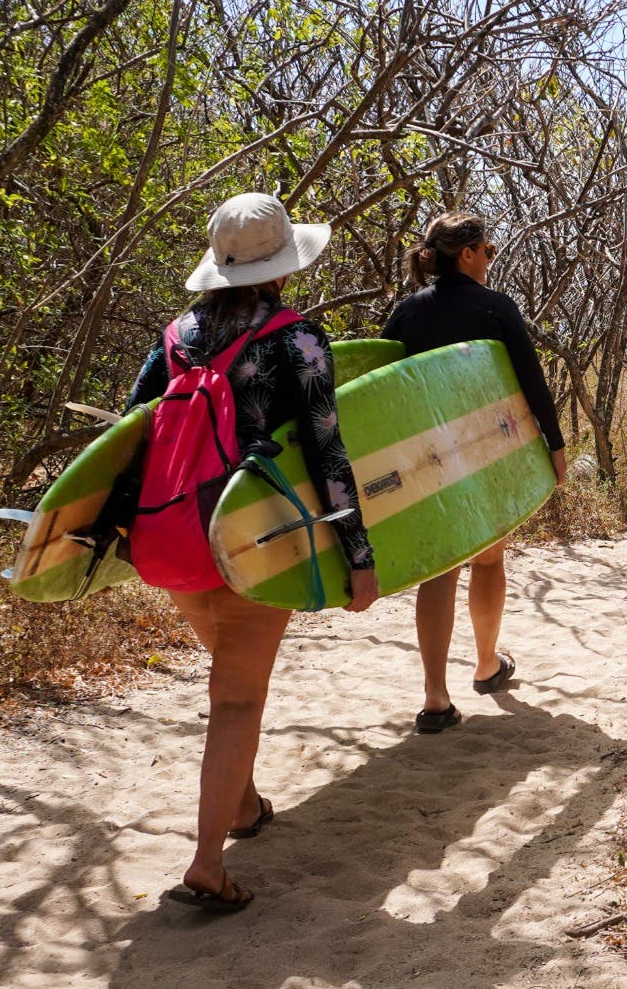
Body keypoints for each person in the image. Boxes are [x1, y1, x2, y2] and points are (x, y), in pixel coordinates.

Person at [122, 192, 380, 914]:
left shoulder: (174, 337)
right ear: (282, 267)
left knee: (227, 676)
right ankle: (207, 863)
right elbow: (328, 449)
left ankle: (243, 809)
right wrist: (357, 553)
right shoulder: (296, 340)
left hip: (173, 536)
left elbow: (130, 433)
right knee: (236, 697)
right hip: (252, 537)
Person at [381, 211, 568, 733]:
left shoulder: (407, 312)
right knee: (488, 560)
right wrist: (554, 446)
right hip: (487, 453)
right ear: (466, 254)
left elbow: (380, 386)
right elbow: (532, 381)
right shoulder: (494, 307)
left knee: (442, 567)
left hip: (427, 458)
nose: (489, 259)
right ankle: (486, 665)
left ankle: (435, 697)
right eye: (487, 250)